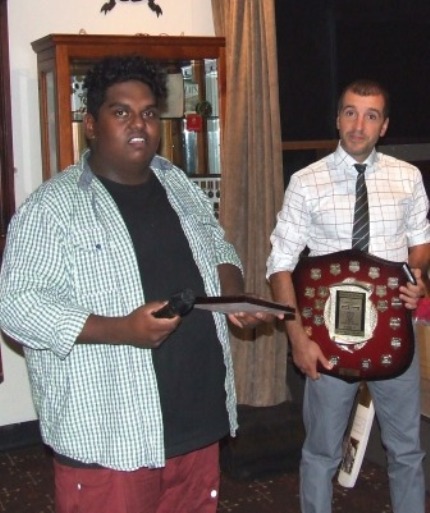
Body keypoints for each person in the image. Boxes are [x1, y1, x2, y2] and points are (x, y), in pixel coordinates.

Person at [0, 55, 279, 513]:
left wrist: (231, 297)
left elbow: (217, 244)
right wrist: (119, 330)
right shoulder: (52, 208)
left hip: (195, 422)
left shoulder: (176, 182)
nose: (140, 124)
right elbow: (17, 307)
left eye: (149, 112)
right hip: (113, 437)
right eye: (121, 111)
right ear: (91, 124)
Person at [266, 79, 430, 513]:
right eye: (351, 113)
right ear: (338, 118)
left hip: (395, 332)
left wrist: (418, 278)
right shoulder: (306, 182)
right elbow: (279, 263)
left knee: (407, 451)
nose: (359, 125)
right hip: (326, 340)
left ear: (385, 126)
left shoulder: (407, 177)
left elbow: (421, 241)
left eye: (371, 115)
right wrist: (297, 339)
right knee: (321, 453)